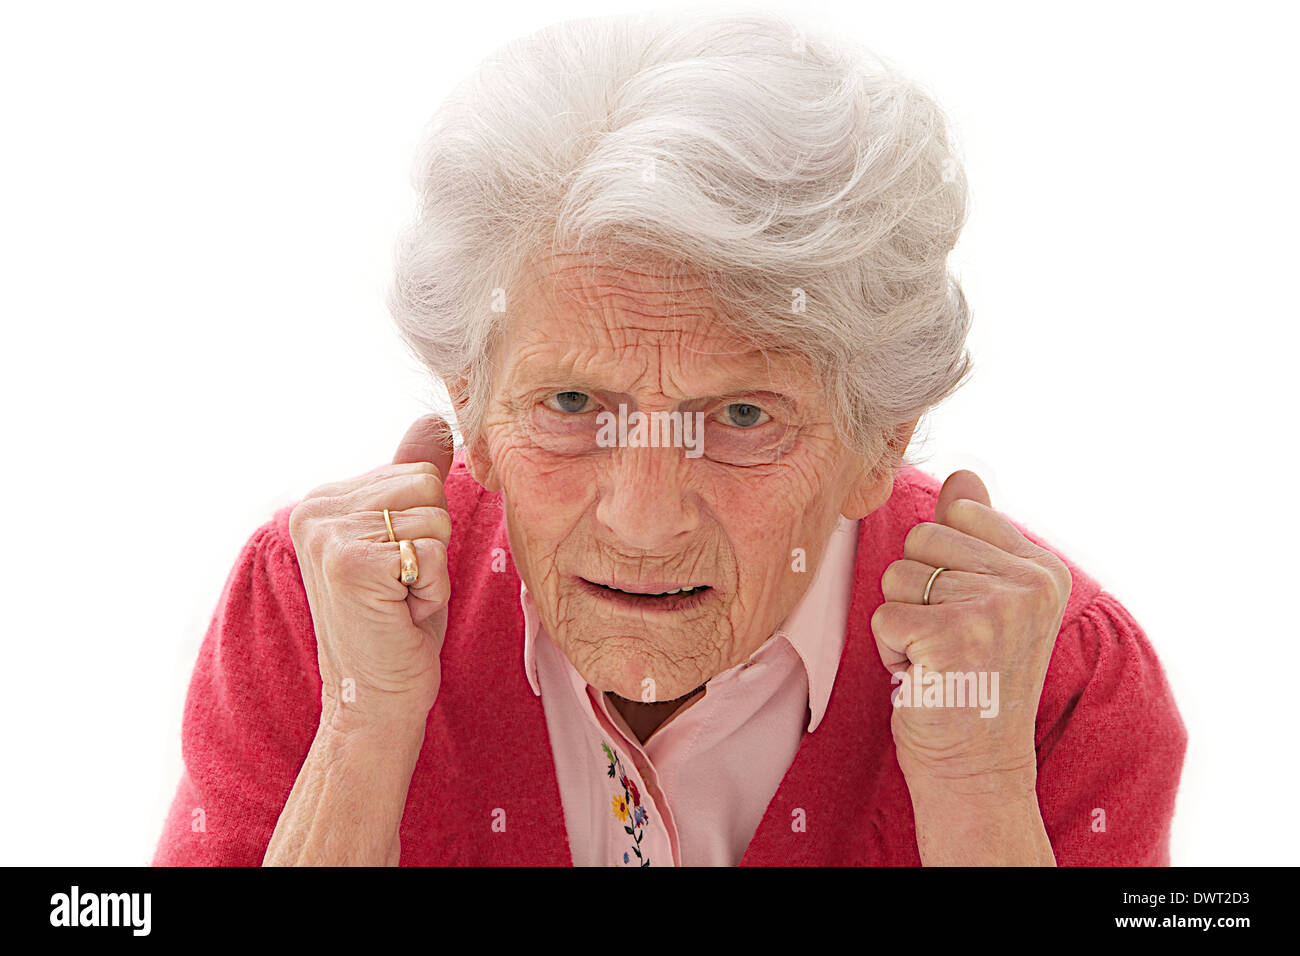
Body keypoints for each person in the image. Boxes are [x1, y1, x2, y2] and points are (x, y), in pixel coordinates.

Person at [154, 10, 1186, 867]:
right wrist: (363, 728)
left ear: (882, 438)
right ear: (467, 403)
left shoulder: (1054, 681)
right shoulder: (313, 611)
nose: (642, 522)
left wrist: (975, 788)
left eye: (740, 416)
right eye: (569, 404)